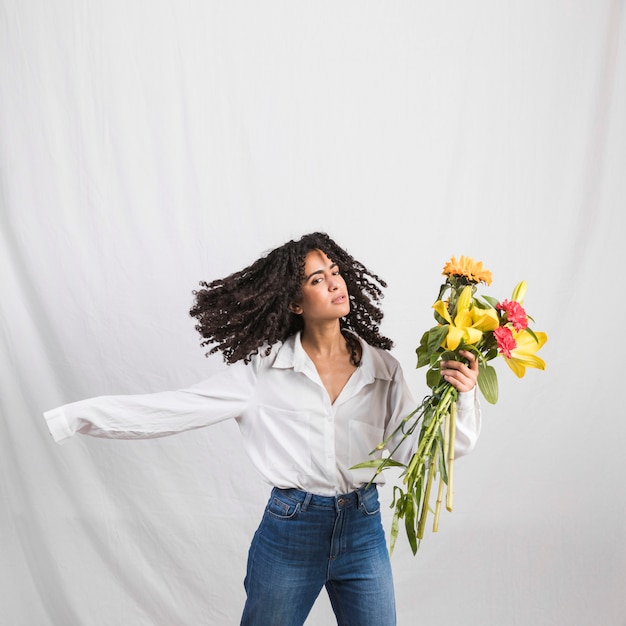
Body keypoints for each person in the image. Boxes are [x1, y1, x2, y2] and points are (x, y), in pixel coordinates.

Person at [44, 232, 481, 626]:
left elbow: (418, 448)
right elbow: (172, 410)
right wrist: (75, 416)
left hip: (363, 528)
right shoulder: (262, 374)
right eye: (316, 279)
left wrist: (462, 395)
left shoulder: (382, 369)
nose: (334, 283)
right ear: (295, 303)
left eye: (334, 272)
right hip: (291, 531)